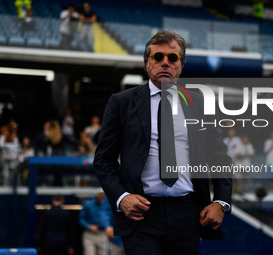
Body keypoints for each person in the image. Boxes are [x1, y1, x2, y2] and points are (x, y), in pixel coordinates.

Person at [94, 30, 232, 255]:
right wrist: (122, 197)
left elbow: (220, 158)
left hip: (189, 213)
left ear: (181, 65)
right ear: (147, 64)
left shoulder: (200, 103)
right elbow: (103, 161)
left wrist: (221, 202)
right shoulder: (121, 103)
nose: (165, 63)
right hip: (141, 214)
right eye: (158, 57)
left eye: (173, 58)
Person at [79, 188, 107, 255]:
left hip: (103, 233)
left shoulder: (107, 204)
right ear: (96, 196)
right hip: (90, 234)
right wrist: (89, 226)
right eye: (101, 196)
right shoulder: (88, 204)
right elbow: (81, 219)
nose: (102, 198)